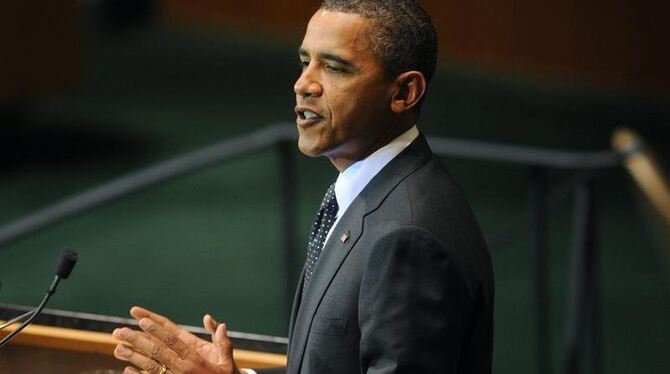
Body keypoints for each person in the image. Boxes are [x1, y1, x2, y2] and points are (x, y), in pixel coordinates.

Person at [112, 1, 494, 373]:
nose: (303, 85)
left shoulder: (407, 238)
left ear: (403, 93)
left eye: (334, 67)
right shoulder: (368, 195)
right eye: (304, 62)